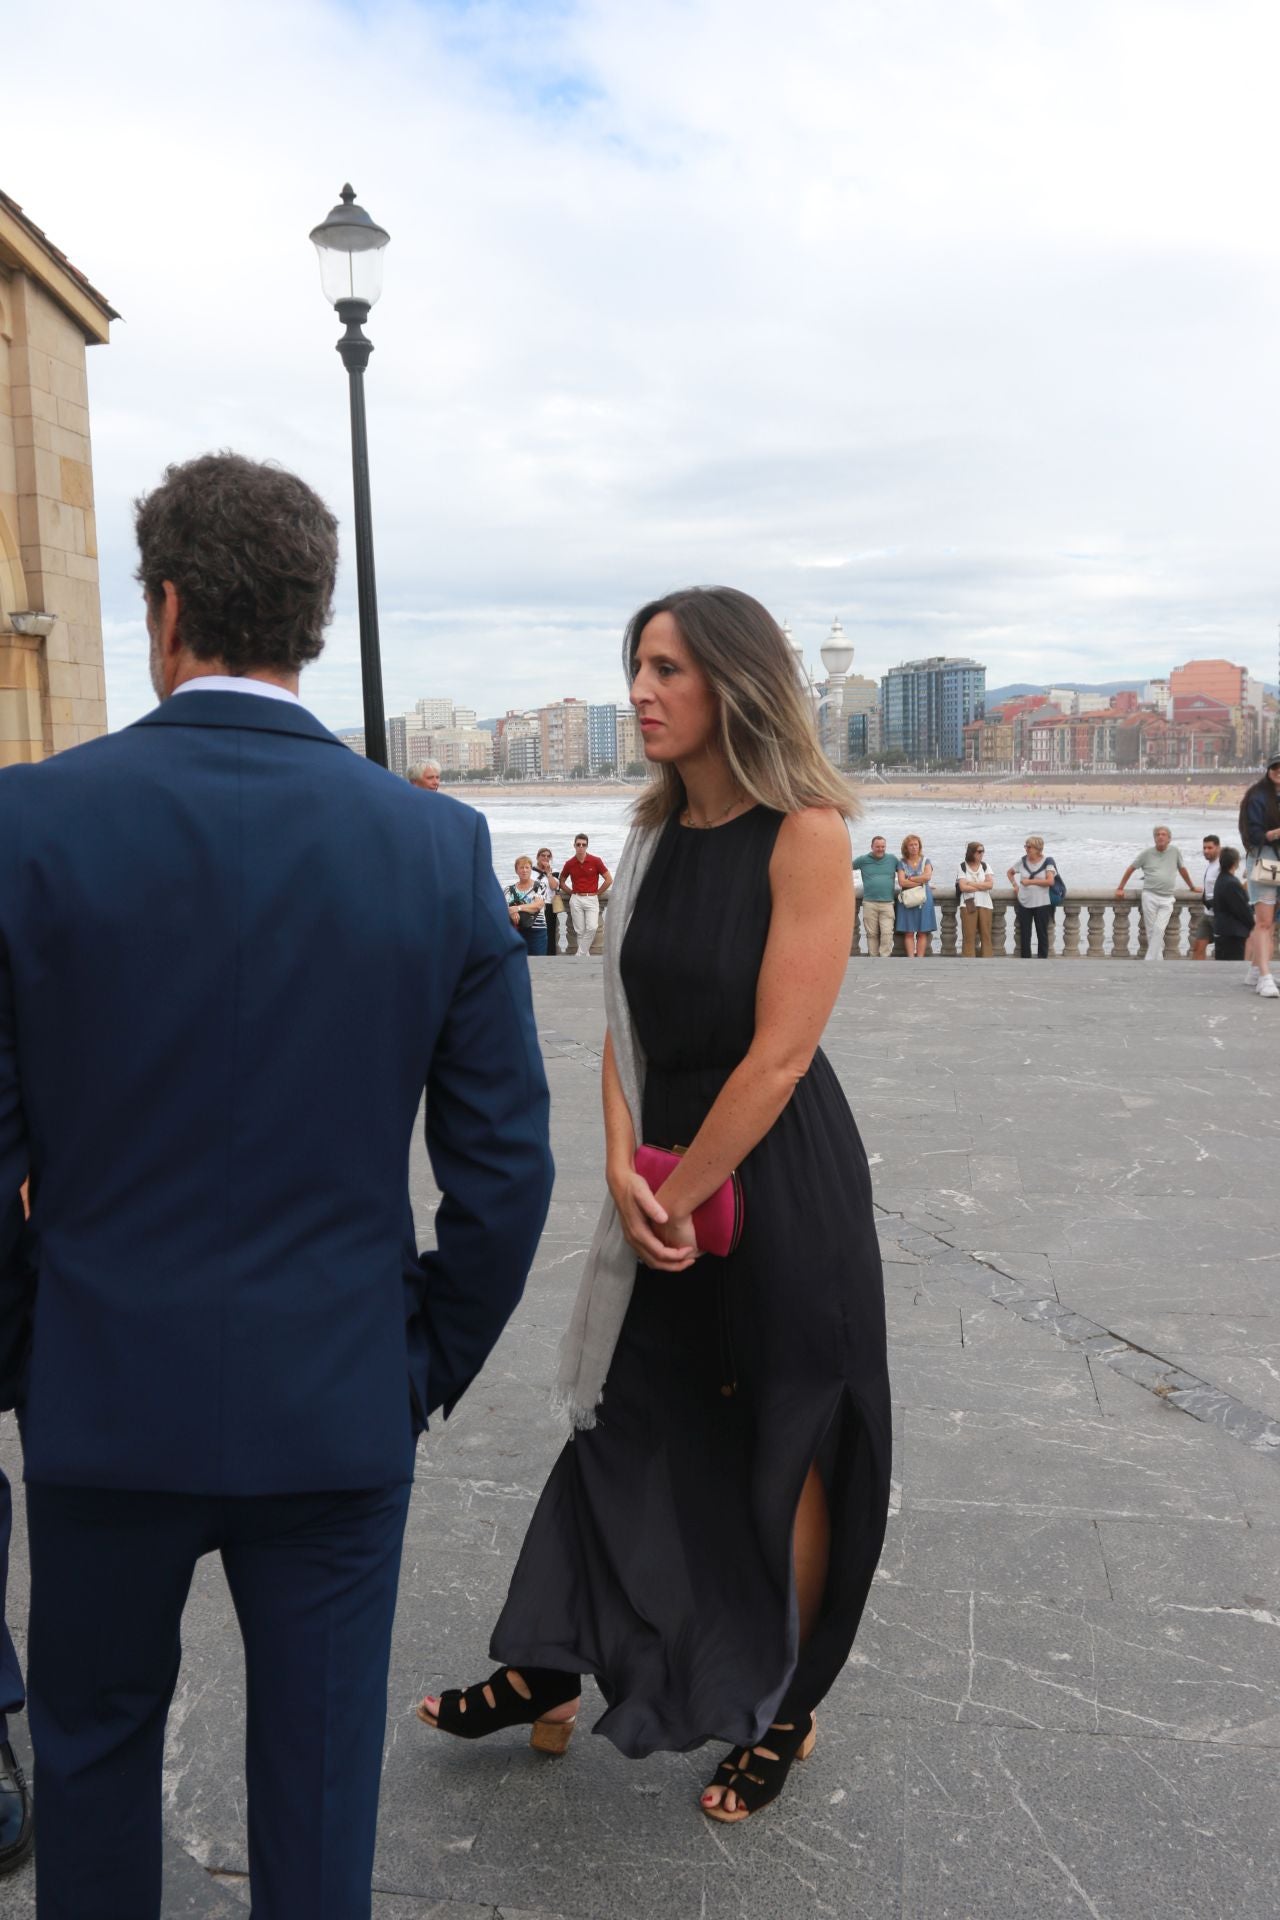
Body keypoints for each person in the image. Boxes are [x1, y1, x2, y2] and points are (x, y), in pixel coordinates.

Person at [0, 452, 554, 1919]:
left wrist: (28, 1349)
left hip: (105, 1392)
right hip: (333, 1398)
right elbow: (505, 1170)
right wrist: (416, 1358)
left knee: (95, 1758)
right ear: (310, 620)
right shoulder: (436, 846)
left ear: (166, 605)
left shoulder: (27, 827)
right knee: (317, 1789)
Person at [418, 586, 891, 1829]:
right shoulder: (650, 832)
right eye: (635, 664)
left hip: (776, 1184)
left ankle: (785, 1705)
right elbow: (621, 1034)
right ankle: (549, 1660)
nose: (641, 689)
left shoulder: (807, 832)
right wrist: (627, 1174)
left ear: (734, 682)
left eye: (667, 667)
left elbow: (780, 1058)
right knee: (620, 1420)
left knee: (784, 1445)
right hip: (664, 1175)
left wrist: (674, 1191)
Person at [1114, 826, 1193, 961]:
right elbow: (1131, 868)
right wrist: (1120, 888)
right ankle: (1158, 960)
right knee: (1151, 931)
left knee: (1159, 929)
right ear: (1154, 838)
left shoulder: (1175, 851)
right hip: (1150, 895)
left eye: (1163, 834)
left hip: (1167, 898)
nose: (1160, 836)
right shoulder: (1146, 853)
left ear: (1169, 838)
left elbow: (1182, 869)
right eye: (1157, 834)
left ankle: (1150, 960)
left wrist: (1192, 886)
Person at [1239, 755, 1280, 998]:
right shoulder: (1257, 797)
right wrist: (1275, 834)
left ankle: (1256, 969)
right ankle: (1264, 976)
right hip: (1265, 860)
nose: (1278, 771)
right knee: (1264, 920)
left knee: (1272, 921)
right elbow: (1253, 834)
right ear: (1268, 771)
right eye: (1275, 767)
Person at [559, 833, 613, 956]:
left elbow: (609, 879)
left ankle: (580, 954)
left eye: (583, 845)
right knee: (580, 930)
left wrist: (597, 893)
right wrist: (571, 893)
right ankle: (585, 956)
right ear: (574, 845)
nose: (581, 847)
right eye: (578, 844)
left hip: (592, 898)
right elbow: (561, 882)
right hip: (576, 899)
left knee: (593, 927)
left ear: (587, 846)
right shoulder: (570, 863)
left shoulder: (596, 861)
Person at [1007, 835, 1057, 958]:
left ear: (1038, 848)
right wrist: (1015, 886)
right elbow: (1010, 872)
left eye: (1029, 847)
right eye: (1025, 846)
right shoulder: (1023, 861)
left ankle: (1042, 958)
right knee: (1025, 933)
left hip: (1042, 903)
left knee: (1042, 933)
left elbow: (1050, 882)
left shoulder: (1048, 861)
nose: (1026, 849)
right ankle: (1025, 958)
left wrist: (1030, 882)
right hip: (1024, 901)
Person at [852, 835, 896, 956]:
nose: (880, 849)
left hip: (887, 903)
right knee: (872, 934)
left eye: (883, 846)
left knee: (887, 932)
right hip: (869, 902)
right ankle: (873, 958)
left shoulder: (892, 859)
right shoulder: (863, 859)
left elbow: (907, 872)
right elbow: (845, 868)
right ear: (872, 847)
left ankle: (884, 958)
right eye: (878, 846)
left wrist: (924, 883)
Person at [894, 834, 935, 958]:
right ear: (906, 847)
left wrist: (910, 878)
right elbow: (902, 882)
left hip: (924, 899)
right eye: (911, 845)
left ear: (919, 846)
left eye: (916, 844)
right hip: (908, 899)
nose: (913, 847)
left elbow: (927, 876)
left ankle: (920, 958)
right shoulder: (901, 863)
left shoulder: (926, 860)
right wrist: (920, 880)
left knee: (922, 932)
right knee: (909, 932)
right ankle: (911, 959)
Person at [1211, 847, 1254, 962]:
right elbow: (1242, 910)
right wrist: (1255, 925)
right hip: (1233, 934)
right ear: (1236, 862)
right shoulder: (1232, 883)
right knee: (1234, 969)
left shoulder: (1221, 879)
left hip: (1223, 931)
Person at [506, 855, 550, 957]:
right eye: (521, 868)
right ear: (516, 870)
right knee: (517, 962)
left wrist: (518, 908)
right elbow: (502, 907)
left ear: (531, 870)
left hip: (537, 931)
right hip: (516, 931)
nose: (524, 870)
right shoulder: (508, 890)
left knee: (538, 963)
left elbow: (537, 905)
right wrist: (511, 912)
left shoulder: (540, 886)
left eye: (527, 867)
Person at [956, 840, 995, 956]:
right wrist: (981, 886)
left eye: (983, 851)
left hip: (985, 904)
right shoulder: (962, 866)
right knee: (969, 935)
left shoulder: (985, 866)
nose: (982, 854)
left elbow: (990, 885)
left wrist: (971, 884)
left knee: (986, 935)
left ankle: (987, 959)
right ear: (971, 852)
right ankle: (968, 960)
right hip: (968, 903)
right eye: (979, 851)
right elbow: (963, 887)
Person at [1192, 834, 1222, 960]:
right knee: (1198, 947)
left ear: (1218, 848)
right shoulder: (1210, 865)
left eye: (1210, 848)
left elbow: (1230, 886)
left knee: (1222, 951)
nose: (1206, 851)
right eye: (1204, 848)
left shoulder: (1221, 865)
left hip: (1219, 915)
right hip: (1207, 913)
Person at [536, 847, 564, 955]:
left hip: (549, 905)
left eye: (548, 856)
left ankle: (550, 955)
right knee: (536, 931)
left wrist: (548, 873)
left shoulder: (554, 872)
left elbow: (553, 887)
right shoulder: (531, 871)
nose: (546, 858)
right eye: (543, 855)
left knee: (550, 932)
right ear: (538, 857)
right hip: (536, 905)